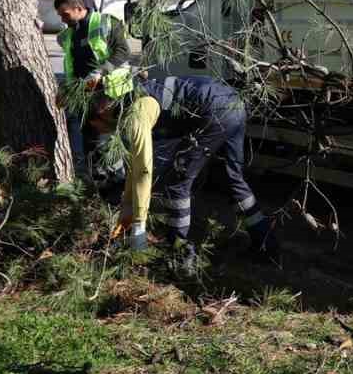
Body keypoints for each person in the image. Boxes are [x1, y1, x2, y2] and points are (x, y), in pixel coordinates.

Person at [88, 69, 275, 271]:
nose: (104, 133)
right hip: (233, 103)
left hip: (211, 109)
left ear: (101, 110)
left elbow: (142, 171)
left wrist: (139, 227)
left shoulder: (138, 111)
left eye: (99, 128)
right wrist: (127, 211)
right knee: (233, 180)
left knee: (177, 183)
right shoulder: (136, 91)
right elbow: (136, 168)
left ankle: (178, 253)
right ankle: (266, 245)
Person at [53, 0, 129, 175]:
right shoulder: (71, 33)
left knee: (108, 142)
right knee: (89, 142)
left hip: (110, 94)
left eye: (65, 14)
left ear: (79, 8)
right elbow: (71, 61)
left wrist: (100, 73)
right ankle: (96, 183)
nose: (62, 19)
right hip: (85, 97)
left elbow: (123, 52)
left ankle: (116, 185)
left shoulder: (107, 23)